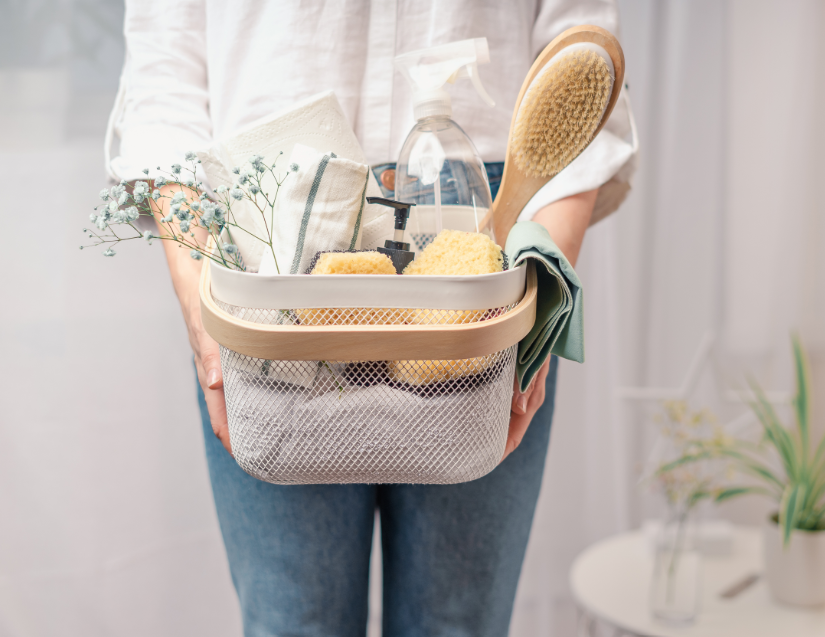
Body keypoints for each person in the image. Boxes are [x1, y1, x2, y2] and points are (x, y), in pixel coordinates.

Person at [106, 1, 636, 634]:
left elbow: (580, 50)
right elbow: (167, 72)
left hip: (482, 208)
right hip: (267, 219)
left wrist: (535, 294)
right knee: (293, 622)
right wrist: (205, 305)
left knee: (456, 624)